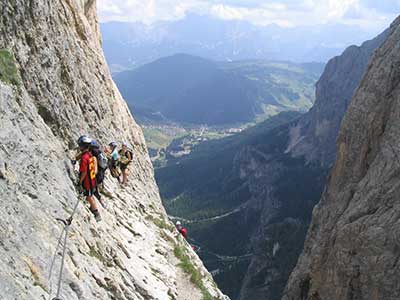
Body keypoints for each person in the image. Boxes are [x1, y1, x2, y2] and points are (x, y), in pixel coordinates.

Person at [77, 135, 101, 222]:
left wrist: (80, 181)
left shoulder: (84, 158)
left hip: (87, 182)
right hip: (92, 179)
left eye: (80, 145)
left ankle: (96, 213)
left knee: (89, 196)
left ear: (82, 146)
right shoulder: (89, 155)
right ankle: (93, 208)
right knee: (90, 195)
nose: (79, 147)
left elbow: (84, 172)